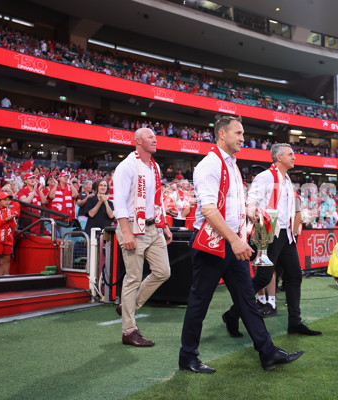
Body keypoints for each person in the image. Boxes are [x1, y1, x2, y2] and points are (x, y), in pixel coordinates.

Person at [179, 115, 303, 373]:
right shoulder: (210, 165)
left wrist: (251, 211)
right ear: (222, 134)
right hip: (214, 245)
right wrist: (236, 240)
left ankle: (267, 353)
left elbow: (233, 207)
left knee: (247, 299)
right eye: (239, 133)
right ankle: (187, 356)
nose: (243, 138)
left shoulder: (232, 165)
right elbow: (208, 209)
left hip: (230, 243)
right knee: (199, 302)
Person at [222, 143, 322, 335]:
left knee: (294, 276)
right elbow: (251, 201)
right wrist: (253, 212)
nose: (294, 157)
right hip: (268, 231)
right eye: (290, 154)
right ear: (278, 158)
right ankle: (233, 314)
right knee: (263, 277)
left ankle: (295, 322)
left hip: (285, 234)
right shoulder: (265, 176)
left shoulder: (286, 178)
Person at [113, 127, 172, 347]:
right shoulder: (126, 166)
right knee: (133, 278)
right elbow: (118, 202)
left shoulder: (154, 166)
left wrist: (163, 224)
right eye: (150, 137)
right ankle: (129, 331)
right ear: (138, 141)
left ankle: (128, 306)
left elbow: (157, 199)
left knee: (163, 271)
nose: (155, 140)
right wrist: (126, 231)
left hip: (153, 227)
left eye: (155, 137)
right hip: (132, 227)